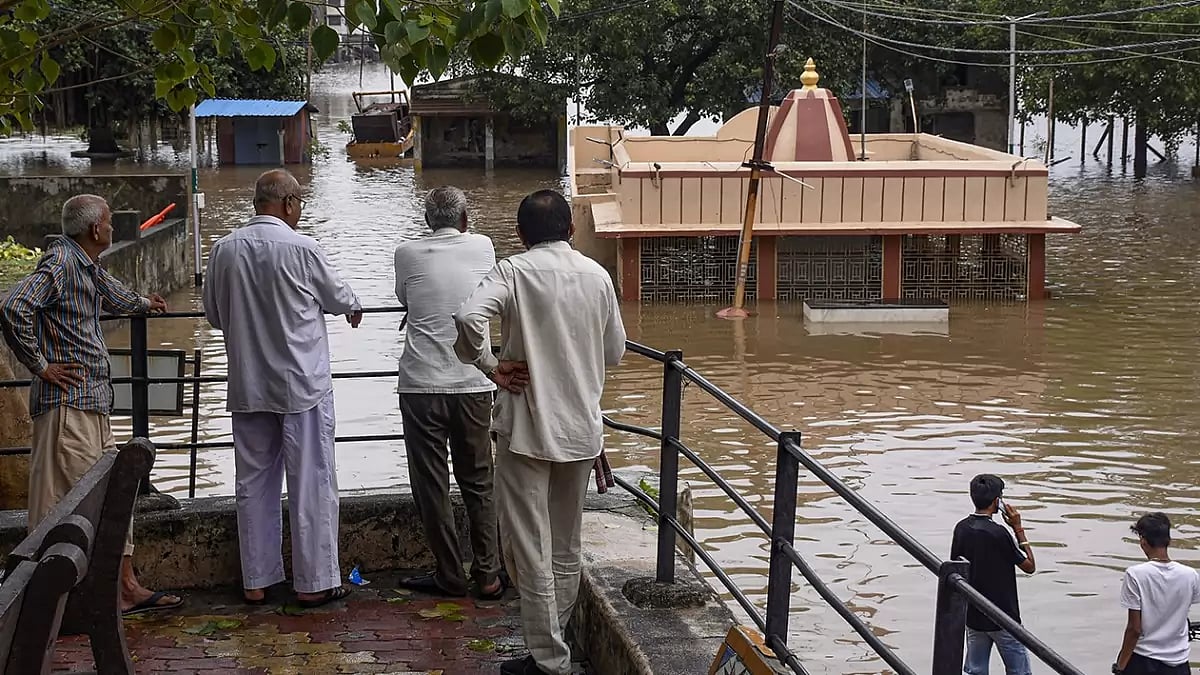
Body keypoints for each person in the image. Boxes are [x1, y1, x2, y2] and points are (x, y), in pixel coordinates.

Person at [454, 189, 626, 675]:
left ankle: (550, 659)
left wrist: (490, 364)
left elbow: (468, 317)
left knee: (528, 547)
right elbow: (614, 351)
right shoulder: (597, 276)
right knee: (566, 545)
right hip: (580, 429)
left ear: (521, 234)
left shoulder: (513, 271)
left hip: (526, 430)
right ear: (571, 230)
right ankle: (553, 647)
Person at [0, 194, 181, 615]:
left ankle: (124, 587)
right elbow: (12, 306)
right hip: (68, 407)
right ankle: (51, 604)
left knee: (114, 492)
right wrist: (41, 366)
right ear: (96, 228)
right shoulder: (62, 263)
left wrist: (145, 304)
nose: (114, 228)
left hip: (90, 404)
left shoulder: (85, 265)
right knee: (65, 505)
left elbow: (111, 294)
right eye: (110, 222)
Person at [203, 169, 362, 608]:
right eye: (300, 204)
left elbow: (214, 314)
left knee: (253, 481)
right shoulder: (302, 248)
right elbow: (337, 296)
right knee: (311, 480)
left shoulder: (223, 249)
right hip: (301, 384)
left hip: (248, 382)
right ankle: (314, 582)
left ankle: (256, 580)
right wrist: (353, 305)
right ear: (289, 204)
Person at [393, 186, 503, 600]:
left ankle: (450, 573)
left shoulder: (406, 253)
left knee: (431, 484)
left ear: (427, 221)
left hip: (421, 385)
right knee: (479, 480)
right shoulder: (483, 246)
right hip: (474, 382)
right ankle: (488, 574)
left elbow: (405, 296)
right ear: (465, 220)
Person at [950, 474, 1036, 675]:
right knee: (1019, 671)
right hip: (1004, 617)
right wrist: (1018, 528)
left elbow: (956, 567)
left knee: (976, 670)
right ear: (997, 501)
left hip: (973, 614)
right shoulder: (999, 533)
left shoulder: (961, 528)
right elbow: (1029, 566)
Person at [1112, 513, 1200, 675]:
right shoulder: (1190, 575)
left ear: (1143, 542)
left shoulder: (1136, 575)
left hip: (1144, 662)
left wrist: (1120, 667)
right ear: (1168, 540)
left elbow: (1134, 629)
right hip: (1179, 663)